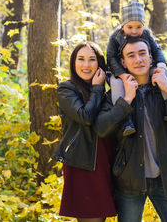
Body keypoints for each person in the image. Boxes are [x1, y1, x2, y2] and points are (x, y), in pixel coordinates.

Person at [94, 36, 167, 222]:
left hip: (165, 179)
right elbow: (102, 128)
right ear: (123, 62)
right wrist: (126, 100)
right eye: (131, 55)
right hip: (129, 181)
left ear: (151, 58)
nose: (138, 59)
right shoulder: (115, 96)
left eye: (142, 53)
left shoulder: (164, 89)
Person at [52, 42, 118, 222]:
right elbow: (85, 116)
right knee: (90, 218)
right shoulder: (67, 89)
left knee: (101, 217)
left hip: (105, 161)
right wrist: (97, 88)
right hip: (82, 162)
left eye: (92, 59)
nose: (86, 65)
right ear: (74, 63)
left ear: (100, 64)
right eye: (81, 59)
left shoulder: (106, 92)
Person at [107, 0, 167, 137]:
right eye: (130, 27)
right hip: (118, 70)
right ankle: (125, 120)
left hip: (143, 67)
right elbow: (111, 58)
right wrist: (122, 75)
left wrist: (160, 64)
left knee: (163, 72)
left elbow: (156, 50)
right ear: (123, 25)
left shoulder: (146, 34)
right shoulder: (115, 37)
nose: (134, 31)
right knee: (116, 83)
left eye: (138, 27)